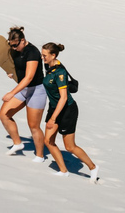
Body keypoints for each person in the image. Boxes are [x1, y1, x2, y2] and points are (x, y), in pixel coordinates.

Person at [41, 42, 99, 183]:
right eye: (42, 55)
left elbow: (64, 97)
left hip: (67, 110)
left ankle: (93, 167)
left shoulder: (60, 72)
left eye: (44, 55)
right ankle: (63, 170)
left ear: (53, 55)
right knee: (48, 141)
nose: (42, 58)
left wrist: (53, 118)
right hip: (54, 108)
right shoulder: (48, 65)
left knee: (70, 146)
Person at [0, 26, 47, 161]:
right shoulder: (15, 50)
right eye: (11, 45)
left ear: (23, 41)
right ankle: (18, 143)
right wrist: (11, 72)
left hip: (37, 90)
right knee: (4, 114)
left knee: (33, 126)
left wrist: (11, 93)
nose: (13, 48)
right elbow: (19, 68)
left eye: (15, 45)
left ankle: (40, 156)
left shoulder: (32, 52)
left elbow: (29, 77)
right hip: (24, 89)